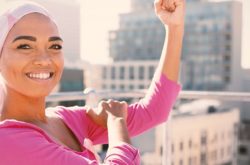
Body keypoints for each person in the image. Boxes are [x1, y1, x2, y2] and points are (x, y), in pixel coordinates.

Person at [0, 0, 185, 164]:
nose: (44, 59)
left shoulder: (64, 119)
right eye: (25, 46)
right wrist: (116, 122)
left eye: (54, 46)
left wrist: (174, 28)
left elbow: (153, 111)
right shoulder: (6, 140)